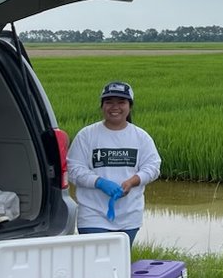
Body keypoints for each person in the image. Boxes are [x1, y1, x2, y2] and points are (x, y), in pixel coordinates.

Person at [67, 81, 161, 246]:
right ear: (102, 106)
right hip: (92, 215)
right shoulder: (87, 135)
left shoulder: (141, 137)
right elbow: (74, 169)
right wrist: (99, 182)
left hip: (129, 216)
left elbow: (152, 167)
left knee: (119, 265)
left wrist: (133, 181)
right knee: (95, 262)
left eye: (121, 102)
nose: (114, 107)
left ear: (130, 106)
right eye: (109, 102)